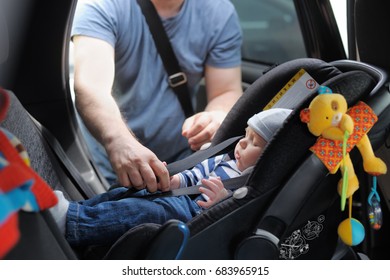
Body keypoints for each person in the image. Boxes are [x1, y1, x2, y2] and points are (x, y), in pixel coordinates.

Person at [50, 108, 292, 247]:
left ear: (269, 157)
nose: (242, 143)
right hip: (181, 196)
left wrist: (220, 200)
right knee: (132, 193)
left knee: (146, 212)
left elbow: (234, 212)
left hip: (193, 213)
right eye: (245, 135)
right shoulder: (224, 160)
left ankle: (74, 223)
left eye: (253, 143)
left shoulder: (251, 183)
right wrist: (176, 181)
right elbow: (196, 175)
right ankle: (75, 209)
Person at [71, 0, 243, 191]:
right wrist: (118, 141)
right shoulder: (103, 5)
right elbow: (91, 86)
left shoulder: (218, 12)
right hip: (109, 161)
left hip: (180, 162)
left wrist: (216, 116)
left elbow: (226, 90)